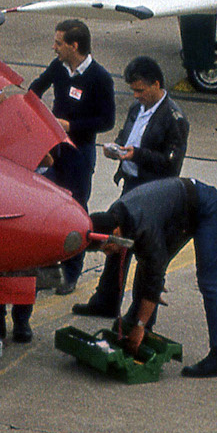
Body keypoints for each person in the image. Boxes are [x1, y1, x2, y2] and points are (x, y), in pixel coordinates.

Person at [0, 18, 114, 342]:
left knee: (76, 210)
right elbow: (36, 90)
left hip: (79, 151)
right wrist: (17, 108)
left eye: (59, 42)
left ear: (74, 46)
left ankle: (71, 272)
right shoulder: (60, 68)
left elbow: (106, 120)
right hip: (54, 146)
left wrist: (71, 126)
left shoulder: (100, 78)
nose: (54, 47)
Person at [75, 56, 189, 318]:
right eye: (133, 90)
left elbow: (171, 167)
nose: (136, 96)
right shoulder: (137, 109)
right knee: (116, 245)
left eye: (140, 90)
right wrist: (116, 148)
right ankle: (106, 301)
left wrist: (135, 155)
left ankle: (140, 314)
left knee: (147, 255)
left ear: (156, 84)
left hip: (152, 194)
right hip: (131, 188)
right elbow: (127, 137)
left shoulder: (175, 120)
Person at [88, 178, 217, 378]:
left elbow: (154, 271)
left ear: (116, 232)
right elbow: (149, 263)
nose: (108, 253)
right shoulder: (115, 215)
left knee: (210, 282)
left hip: (206, 207)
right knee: (149, 265)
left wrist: (140, 325)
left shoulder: (144, 225)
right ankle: (140, 322)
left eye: (107, 248)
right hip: (177, 212)